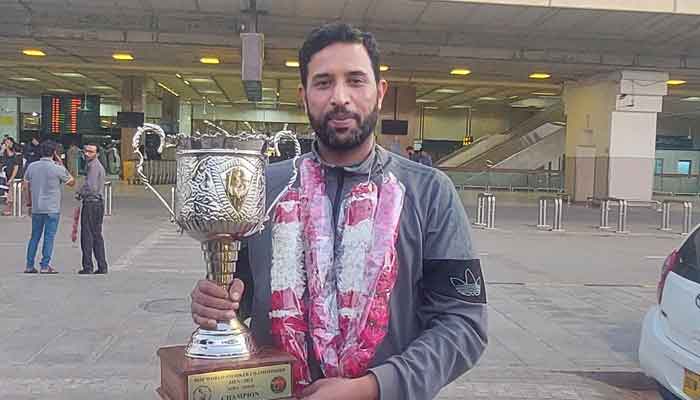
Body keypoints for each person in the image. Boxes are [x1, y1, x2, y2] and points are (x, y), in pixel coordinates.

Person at [190, 23, 487, 400]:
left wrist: (374, 387)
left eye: (356, 81)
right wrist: (215, 301)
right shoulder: (264, 187)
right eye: (324, 82)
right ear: (304, 96)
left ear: (380, 93)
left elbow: (463, 323)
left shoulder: (428, 193)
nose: (340, 97)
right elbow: (240, 292)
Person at [23, 140, 75, 273]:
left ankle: (29, 265)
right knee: (49, 237)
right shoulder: (58, 168)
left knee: (34, 236)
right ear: (54, 153)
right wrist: (61, 163)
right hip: (52, 208)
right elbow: (71, 182)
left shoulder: (31, 167)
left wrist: (29, 204)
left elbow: (26, 186)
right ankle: (45, 266)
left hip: (36, 208)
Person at [77, 143, 108, 275]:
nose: (87, 153)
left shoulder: (93, 166)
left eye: (91, 152)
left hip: (91, 203)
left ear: (97, 154)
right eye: (86, 151)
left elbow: (91, 187)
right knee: (96, 235)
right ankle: (102, 266)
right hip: (97, 204)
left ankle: (88, 266)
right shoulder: (94, 166)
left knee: (87, 236)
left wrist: (80, 193)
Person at [2, 137, 20, 216]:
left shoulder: (16, 152)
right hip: (4, 175)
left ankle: (8, 209)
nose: (7, 144)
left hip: (13, 176)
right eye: (6, 142)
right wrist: (3, 149)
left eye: (9, 142)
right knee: (6, 192)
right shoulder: (3, 152)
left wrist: (11, 178)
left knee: (10, 193)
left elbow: (16, 167)